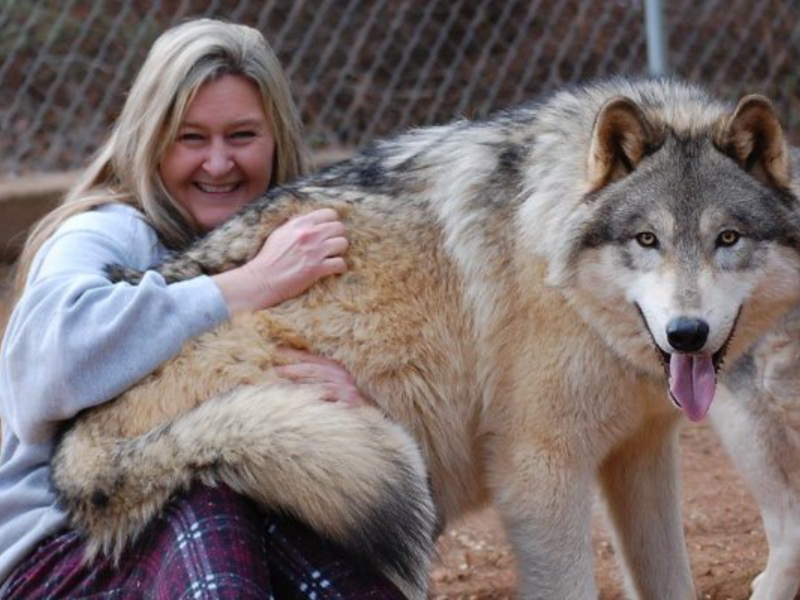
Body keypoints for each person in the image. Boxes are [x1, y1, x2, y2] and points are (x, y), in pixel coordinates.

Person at [0, 19, 403, 599]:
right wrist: (247, 284)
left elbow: (398, 504)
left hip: (235, 546)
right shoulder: (107, 232)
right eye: (191, 138)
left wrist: (359, 409)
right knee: (206, 479)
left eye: (241, 136)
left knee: (282, 488)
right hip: (67, 556)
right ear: (150, 138)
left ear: (277, 137)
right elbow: (48, 369)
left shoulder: (304, 243)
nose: (218, 164)